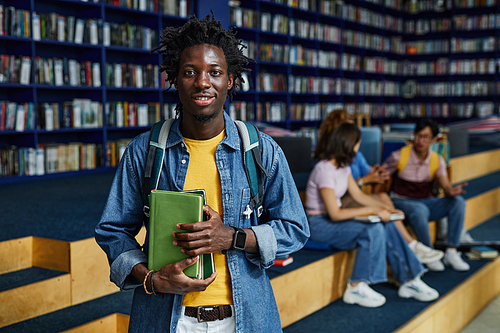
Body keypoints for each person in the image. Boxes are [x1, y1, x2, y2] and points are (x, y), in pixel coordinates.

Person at [95, 14, 309, 333]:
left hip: (245, 319)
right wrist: (151, 278)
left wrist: (232, 236)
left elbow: (294, 229)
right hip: (167, 320)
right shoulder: (145, 151)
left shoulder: (262, 150)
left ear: (230, 80)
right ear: (175, 78)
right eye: (190, 72)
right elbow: (113, 230)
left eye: (215, 72)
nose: (203, 82)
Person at [306, 122, 439, 308]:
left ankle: (410, 280)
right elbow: (335, 214)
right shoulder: (324, 169)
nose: (358, 147)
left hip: (332, 222)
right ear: (350, 145)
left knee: (388, 223)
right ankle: (356, 286)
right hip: (319, 224)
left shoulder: (343, 168)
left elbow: (359, 195)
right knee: (372, 229)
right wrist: (374, 210)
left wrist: (387, 209)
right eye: (358, 143)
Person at [314, 110, 443, 265]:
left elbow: (363, 184)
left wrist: (378, 177)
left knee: (383, 203)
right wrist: (368, 189)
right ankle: (411, 252)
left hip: (347, 201)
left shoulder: (348, 163)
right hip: (334, 208)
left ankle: (412, 254)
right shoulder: (326, 167)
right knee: (377, 226)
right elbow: (337, 207)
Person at [381, 118, 470, 272]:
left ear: (434, 140)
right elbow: (381, 178)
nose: (420, 141)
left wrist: (451, 191)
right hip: (402, 202)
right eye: (418, 135)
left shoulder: (437, 160)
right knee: (419, 209)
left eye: (426, 137)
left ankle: (451, 252)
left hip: (426, 202)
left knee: (458, 202)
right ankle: (429, 253)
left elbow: (445, 184)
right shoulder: (398, 156)